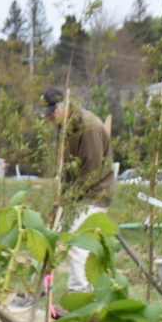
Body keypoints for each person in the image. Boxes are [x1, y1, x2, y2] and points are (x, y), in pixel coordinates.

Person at [41, 86, 114, 293]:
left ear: (62, 107)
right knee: (53, 235)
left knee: (78, 245)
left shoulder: (88, 127)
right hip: (77, 193)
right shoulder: (64, 126)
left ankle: (79, 297)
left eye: (50, 114)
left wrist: (66, 199)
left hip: (95, 194)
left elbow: (90, 173)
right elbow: (68, 168)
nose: (48, 119)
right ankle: (40, 286)